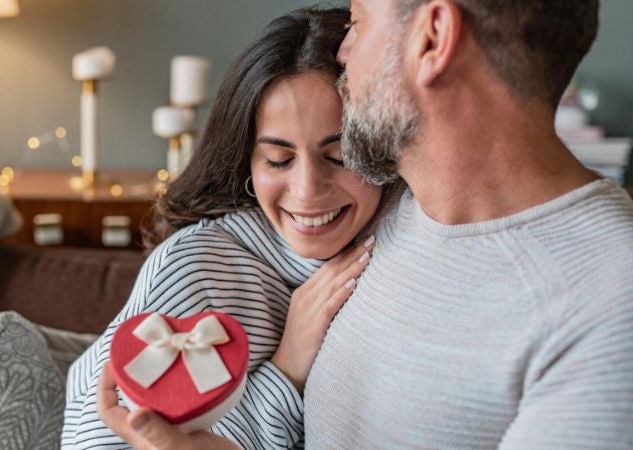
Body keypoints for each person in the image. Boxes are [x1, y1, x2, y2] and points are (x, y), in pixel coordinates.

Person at [97, 0, 633, 448]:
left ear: (433, 37)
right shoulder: (383, 208)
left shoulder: (606, 312)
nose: (343, 51)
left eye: (359, 22)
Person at [61, 7, 404, 449]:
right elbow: (98, 437)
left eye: (339, 157)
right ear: (248, 164)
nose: (307, 190)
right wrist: (287, 367)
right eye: (278, 160)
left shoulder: (401, 233)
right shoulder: (196, 270)